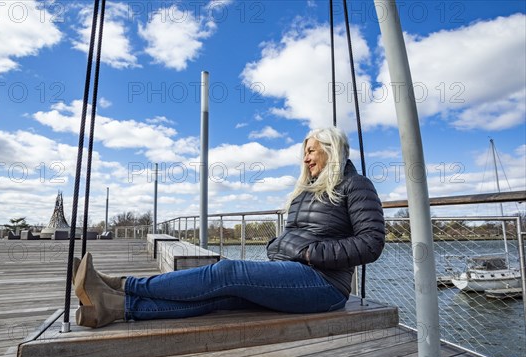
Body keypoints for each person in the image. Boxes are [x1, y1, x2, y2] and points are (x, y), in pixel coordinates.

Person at [74, 127, 385, 328]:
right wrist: (278, 244)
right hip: (293, 274)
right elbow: (295, 236)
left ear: (331, 150)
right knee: (219, 299)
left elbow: (371, 243)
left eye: (312, 151)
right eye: (304, 152)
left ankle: (123, 284)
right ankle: (115, 307)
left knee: (226, 272)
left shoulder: (356, 185)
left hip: (325, 286)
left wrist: (310, 252)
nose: (305, 159)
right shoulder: (306, 190)